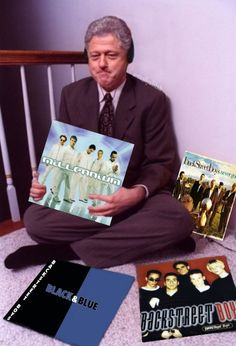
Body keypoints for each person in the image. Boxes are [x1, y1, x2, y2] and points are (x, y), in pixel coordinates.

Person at [4, 15, 194, 270]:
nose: (102, 64)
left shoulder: (152, 100)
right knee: (35, 220)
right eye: (95, 56)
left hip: (135, 192)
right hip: (90, 194)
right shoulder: (70, 95)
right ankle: (142, 236)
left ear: (128, 56)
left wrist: (134, 195)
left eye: (111, 55)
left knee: (179, 218)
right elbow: (64, 155)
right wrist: (45, 183)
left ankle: (67, 251)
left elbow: (161, 163)